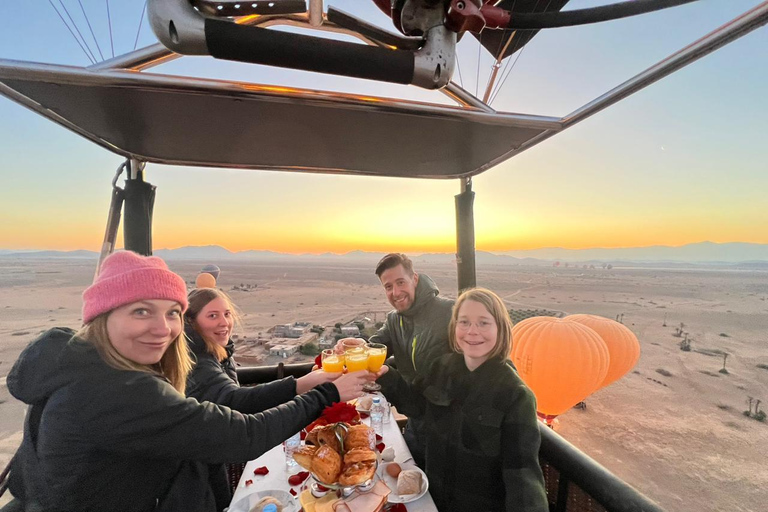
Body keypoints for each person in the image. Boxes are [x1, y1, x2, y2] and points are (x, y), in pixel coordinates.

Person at [6, 251, 370, 512]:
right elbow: (243, 434)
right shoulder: (117, 390)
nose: (162, 328)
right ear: (103, 317)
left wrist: (302, 382)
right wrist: (326, 392)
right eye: (140, 311)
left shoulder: (89, 366)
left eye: (171, 313)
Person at [375, 288, 548, 512]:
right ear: (454, 327)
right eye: (464, 322)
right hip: (432, 498)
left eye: (484, 323)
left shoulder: (515, 395)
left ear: (500, 328)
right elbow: (415, 406)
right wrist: (385, 373)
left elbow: (522, 475)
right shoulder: (441, 367)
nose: (472, 331)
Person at [184, 287, 343, 510]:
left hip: (210, 456)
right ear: (191, 322)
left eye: (227, 314)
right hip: (196, 470)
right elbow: (235, 402)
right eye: (213, 316)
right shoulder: (197, 361)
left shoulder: (212, 350)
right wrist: (302, 384)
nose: (224, 322)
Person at [366, 252, 453, 466]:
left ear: (414, 279)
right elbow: (374, 347)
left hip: (450, 429)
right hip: (417, 422)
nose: (395, 292)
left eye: (400, 282)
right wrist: (351, 347)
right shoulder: (394, 320)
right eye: (388, 287)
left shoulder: (449, 312)